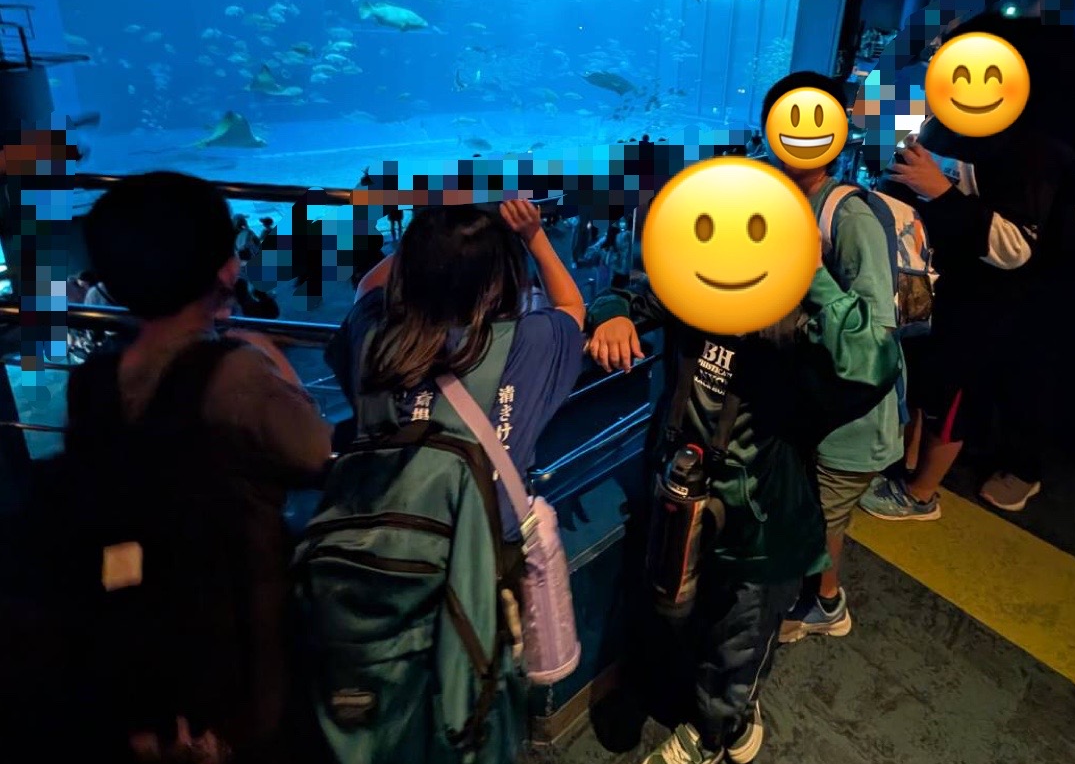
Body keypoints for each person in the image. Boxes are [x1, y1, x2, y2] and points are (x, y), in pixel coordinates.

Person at [585, 202, 901, 763]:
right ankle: (712, 707)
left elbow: (872, 363)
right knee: (686, 616)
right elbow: (628, 295)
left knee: (740, 638)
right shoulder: (694, 293)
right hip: (686, 501)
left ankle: (714, 733)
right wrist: (611, 315)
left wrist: (815, 278)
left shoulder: (796, 324)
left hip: (761, 521)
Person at [35, 172, 333, 763]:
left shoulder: (93, 382)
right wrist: (269, 356)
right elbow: (314, 452)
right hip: (236, 636)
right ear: (223, 270)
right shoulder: (235, 373)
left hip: (133, 627)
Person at [860, 13, 1075, 518]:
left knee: (954, 399)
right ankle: (905, 465)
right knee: (923, 381)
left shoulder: (1031, 148)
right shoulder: (946, 121)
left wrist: (940, 191)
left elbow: (1015, 247)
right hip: (929, 284)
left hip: (980, 302)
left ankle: (921, 495)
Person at [328, 200, 585, 536]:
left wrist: (432, 234)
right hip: (483, 547)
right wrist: (532, 234)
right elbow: (570, 306)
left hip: (367, 538)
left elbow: (368, 288)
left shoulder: (374, 337)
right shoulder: (527, 342)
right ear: (499, 279)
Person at [757, 72, 904, 644]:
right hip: (810, 403)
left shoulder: (848, 217)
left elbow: (876, 338)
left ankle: (823, 605)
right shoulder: (777, 200)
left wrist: (812, 272)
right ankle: (817, 593)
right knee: (809, 509)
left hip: (853, 417)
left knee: (823, 518)